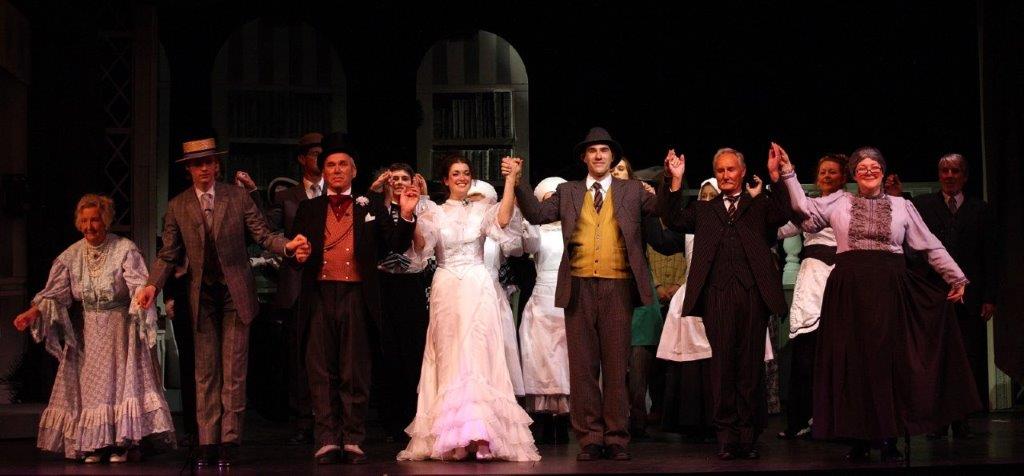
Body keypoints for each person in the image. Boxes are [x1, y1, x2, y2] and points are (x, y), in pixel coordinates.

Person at [772, 144, 981, 462]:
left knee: (887, 363)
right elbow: (802, 207)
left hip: (888, 289)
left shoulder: (901, 206)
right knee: (853, 362)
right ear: (854, 175)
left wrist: (957, 278)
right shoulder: (839, 201)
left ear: (883, 172)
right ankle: (857, 437)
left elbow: (930, 245)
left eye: (875, 167)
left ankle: (887, 437)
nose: (868, 171)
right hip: (849, 290)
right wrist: (788, 172)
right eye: (862, 167)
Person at [135, 138, 310, 468]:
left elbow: (263, 235)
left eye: (208, 162)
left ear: (217, 166)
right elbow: (168, 254)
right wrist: (151, 286)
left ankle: (228, 440)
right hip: (201, 295)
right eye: (196, 164)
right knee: (205, 372)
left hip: (234, 292)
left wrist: (288, 246)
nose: (203, 168)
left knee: (233, 370)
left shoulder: (236, 196)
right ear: (189, 169)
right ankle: (206, 441)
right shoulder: (178, 206)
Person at [505, 127, 660, 462]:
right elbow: (537, 214)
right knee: (582, 367)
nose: (599, 155)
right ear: (584, 157)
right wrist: (517, 181)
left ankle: (616, 437)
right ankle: (590, 438)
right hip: (578, 287)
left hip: (617, 286)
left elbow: (662, 210)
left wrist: (673, 183)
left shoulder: (632, 190)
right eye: (593, 151)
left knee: (616, 367)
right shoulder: (568, 191)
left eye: (604, 150)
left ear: (613, 156)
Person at [398, 155, 540, 462]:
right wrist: (411, 212)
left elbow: (503, 220)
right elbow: (421, 246)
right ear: (445, 180)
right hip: (447, 284)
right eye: (455, 173)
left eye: (465, 173)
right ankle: (453, 436)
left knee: (479, 353)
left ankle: (482, 434)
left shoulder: (482, 209)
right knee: (449, 354)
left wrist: (511, 181)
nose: (461, 177)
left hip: (477, 283)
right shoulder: (433, 211)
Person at [12, 194, 174, 462]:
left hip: (119, 330)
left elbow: (138, 284)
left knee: (119, 386)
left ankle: (122, 443)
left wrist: (142, 297)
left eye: (95, 220)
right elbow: (55, 294)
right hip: (88, 331)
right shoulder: (72, 255)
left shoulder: (124, 249)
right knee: (91, 389)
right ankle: (96, 444)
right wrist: (32, 312)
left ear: (106, 221)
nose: (89, 226)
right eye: (85, 221)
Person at [287, 133, 417, 465]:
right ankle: (327, 438)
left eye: (342, 164)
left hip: (357, 294)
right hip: (319, 293)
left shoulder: (370, 205)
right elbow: (294, 251)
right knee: (321, 369)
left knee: (354, 369)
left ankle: (354, 438)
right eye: (330, 165)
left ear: (353, 170)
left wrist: (405, 214)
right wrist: (297, 255)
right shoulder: (308, 208)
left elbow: (394, 244)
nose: (336, 170)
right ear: (323, 171)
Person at [658, 147, 791, 460]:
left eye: (731, 169)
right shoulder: (705, 210)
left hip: (752, 295)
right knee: (721, 368)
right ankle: (726, 437)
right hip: (717, 296)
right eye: (720, 170)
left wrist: (776, 177)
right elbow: (672, 218)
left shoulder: (758, 205)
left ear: (742, 172)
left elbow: (783, 214)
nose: (726, 175)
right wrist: (675, 180)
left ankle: (748, 434)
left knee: (750, 368)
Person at [887, 153, 997, 439]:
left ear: (965, 176)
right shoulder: (923, 205)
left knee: (966, 356)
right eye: (944, 170)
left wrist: (989, 296)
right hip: (932, 294)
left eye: (955, 171)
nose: (949, 175)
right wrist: (896, 195)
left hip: (969, 295)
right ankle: (936, 419)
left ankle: (961, 418)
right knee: (934, 356)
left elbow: (990, 255)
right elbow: (906, 230)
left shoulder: (981, 209)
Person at [774, 154, 847, 439]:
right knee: (806, 350)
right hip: (812, 276)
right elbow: (782, 230)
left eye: (833, 172)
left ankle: (838, 420)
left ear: (843, 177)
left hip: (840, 274)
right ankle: (800, 419)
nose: (827, 176)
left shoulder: (850, 205)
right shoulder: (808, 206)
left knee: (839, 349)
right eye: (823, 172)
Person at [610, 156, 680, 438]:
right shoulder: (595, 204)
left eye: (621, 169)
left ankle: (636, 420)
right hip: (609, 287)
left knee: (639, 361)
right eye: (613, 169)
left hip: (638, 289)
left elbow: (663, 242)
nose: (616, 172)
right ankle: (614, 420)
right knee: (613, 364)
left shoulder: (641, 204)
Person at [365, 162, 433, 443]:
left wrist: (415, 209)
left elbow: (423, 246)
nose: (399, 183)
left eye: (405, 178)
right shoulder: (376, 209)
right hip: (383, 284)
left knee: (412, 351)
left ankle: (411, 416)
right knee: (386, 352)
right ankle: (388, 419)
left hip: (410, 285)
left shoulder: (422, 208)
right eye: (393, 178)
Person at [658, 178, 719, 443]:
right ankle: (691, 420)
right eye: (703, 196)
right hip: (692, 296)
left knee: (715, 359)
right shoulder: (689, 230)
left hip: (719, 296)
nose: (706, 200)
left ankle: (718, 419)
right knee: (691, 362)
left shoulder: (729, 227)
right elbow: (661, 238)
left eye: (712, 196)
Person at [518, 176, 571, 444]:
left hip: (567, 298)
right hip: (542, 298)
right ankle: (545, 421)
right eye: (547, 199)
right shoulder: (536, 230)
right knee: (542, 360)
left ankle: (565, 421)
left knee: (565, 360)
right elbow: (527, 245)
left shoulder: (573, 229)